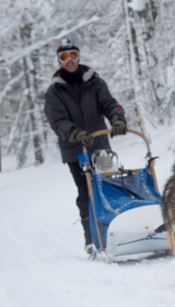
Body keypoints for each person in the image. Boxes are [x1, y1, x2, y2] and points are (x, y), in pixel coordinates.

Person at [44, 39, 127, 254]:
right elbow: (57, 120)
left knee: (107, 186)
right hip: (75, 151)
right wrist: (73, 133)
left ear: (79, 57)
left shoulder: (94, 81)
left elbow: (109, 103)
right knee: (86, 192)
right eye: (64, 57)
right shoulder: (54, 91)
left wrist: (117, 118)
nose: (70, 61)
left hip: (99, 146)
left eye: (73, 55)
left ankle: (115, 232)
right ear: (59, 61)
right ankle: (91, 238)